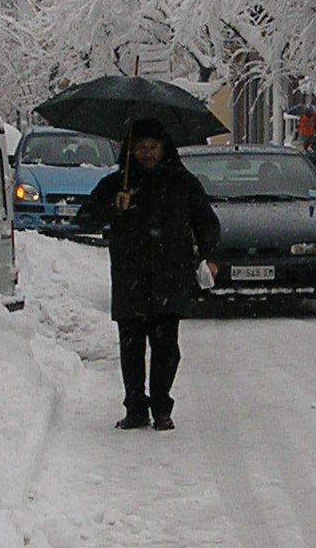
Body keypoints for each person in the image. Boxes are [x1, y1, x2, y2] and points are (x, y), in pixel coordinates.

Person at [78, 119, 220, 431]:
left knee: (167, 349)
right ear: (131, 150)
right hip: (130, 276)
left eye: (153, 147)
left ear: (164, 147)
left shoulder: (183, 183)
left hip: (171, 276)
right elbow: (84, 219)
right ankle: (135, 408)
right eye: (141, 148)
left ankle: (161, 406)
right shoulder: (118, 183)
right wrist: (114, 206)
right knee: (131, 348)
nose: (147, 153)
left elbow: (207, 222)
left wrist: (209, 255)